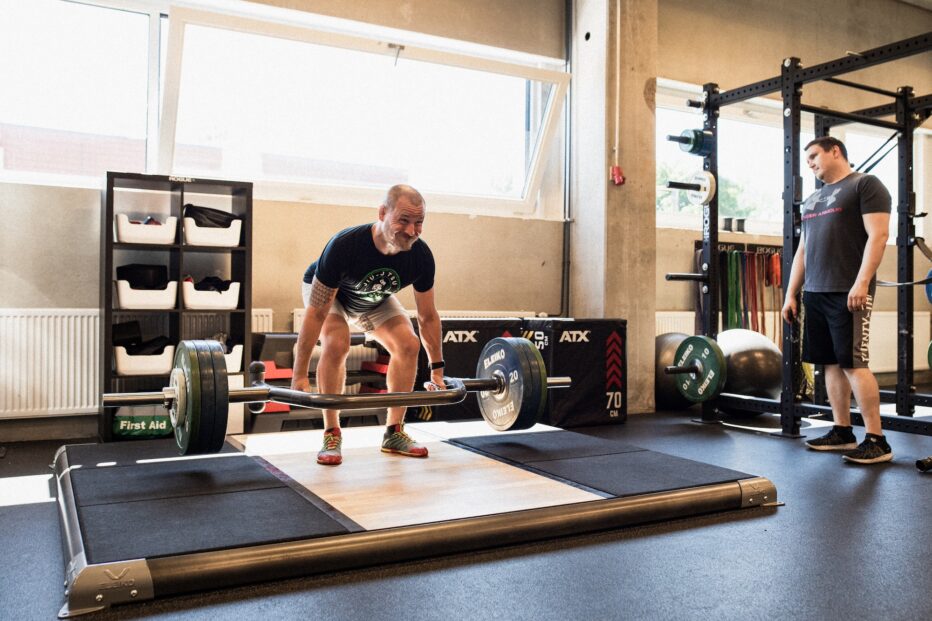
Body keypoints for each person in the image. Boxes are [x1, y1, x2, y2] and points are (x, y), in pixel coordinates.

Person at [292, 184, 445, 466]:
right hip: (331, 295)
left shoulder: (421, 256)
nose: (411, 231)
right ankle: (331, 433)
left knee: (408, 344)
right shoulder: (345, 245)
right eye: (403, 220)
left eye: (418, 222)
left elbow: (428, 316)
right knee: (337, 342)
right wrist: (299, 374)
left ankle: (394, 432)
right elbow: (315, 315)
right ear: (382, 213)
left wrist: (437, 371)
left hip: (373, 298)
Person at [782, 136, 892, 464]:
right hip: (815, 292)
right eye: (807, 159)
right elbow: (803, 250)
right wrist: (791, 293)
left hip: (848, 290)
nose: (810, 163)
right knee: (829, 363)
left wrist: (862, 282)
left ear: (835, 151)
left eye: (815, 156)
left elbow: (879, 235)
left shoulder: (865, 185)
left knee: (853, 363)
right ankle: (842, 430)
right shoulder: (813, 200)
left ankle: (877, 440)